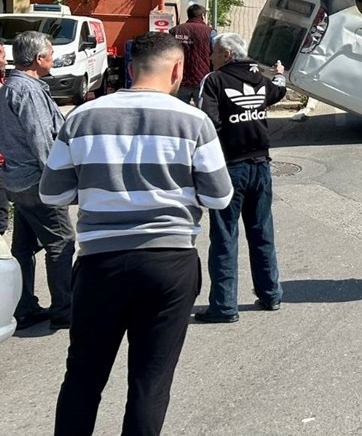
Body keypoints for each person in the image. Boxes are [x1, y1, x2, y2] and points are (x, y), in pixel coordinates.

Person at [40, 32, 233, 436]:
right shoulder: (194, 121)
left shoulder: (81, 117)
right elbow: (219, 196)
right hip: (170, 262)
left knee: (83, 379)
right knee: (149, 384)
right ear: (177, 69)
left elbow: (52, 192)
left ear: (130, 69)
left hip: (99, 263)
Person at [194, 33, 288, 324]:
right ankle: (270, 294)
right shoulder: (260, 78)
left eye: (213, 53)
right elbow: (278, 91)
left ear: (225, 54)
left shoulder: (214, 81)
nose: (210, 58)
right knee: (262, 232)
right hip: (261, 166)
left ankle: (223, 307)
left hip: (230, 167)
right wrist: (281, 75)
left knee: (224, 237)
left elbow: (206, 123)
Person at [0, 31, 74, 330]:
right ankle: (64, 309)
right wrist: (57, 180)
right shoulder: (27, 91)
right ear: (38, 59)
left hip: (17, 179)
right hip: (36, 180)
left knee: (24, 244)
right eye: (51, 53)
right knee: (62, 241)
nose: (53, 58)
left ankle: (24, 305)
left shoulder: (13, 87)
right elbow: (42, 141)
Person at [169, 4, 215, 105]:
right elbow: (215, 54)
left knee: (179, 112)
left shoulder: (174, 31)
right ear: (203, 16)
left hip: (179, 79)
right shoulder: (210, 32)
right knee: (203, 113)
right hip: (202, 80)